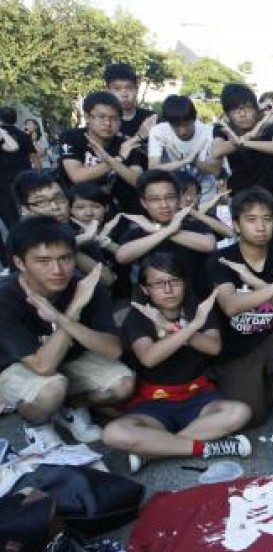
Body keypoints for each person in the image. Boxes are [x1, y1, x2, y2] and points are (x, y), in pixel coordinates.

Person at [102, 253, 251, 470]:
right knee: (114, 433)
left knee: (240, 412)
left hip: (198, 397)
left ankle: (153, 451)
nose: (169, 289)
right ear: (145, 289)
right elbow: (149, 357)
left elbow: (213, 347)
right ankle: (206, 448)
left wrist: (173, 328)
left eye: (174, 281)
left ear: (184, 283)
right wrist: (188, 329)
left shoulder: (198, 309)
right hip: (154, 403)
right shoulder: (138, 316)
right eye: (159, 284)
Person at [0, 217, 134, 451]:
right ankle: (36, 425)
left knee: (123, 383)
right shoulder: (5, 297)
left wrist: (67, 314)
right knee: (51, 389)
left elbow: (112, 350)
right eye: (43, 261)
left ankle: (71, 406)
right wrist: (73, 311)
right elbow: (43, 367)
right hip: (18, 366)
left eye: (65, 258)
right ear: (20, 263)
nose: (58, 270)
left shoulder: (85, 288)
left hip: (71, 358)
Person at [207, 187, 273, 425]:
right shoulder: (222, 259)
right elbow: (231, 306)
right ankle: (265, 385)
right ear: (237, 225)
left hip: (271, 338)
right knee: (254, 416)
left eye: (267, 219)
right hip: (234, 348)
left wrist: (256, 284)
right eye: (251, 220)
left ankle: (272, 380)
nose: (261, 226)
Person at [114, 169, 216, 295]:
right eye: (155, 199)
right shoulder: (137, 232)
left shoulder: (194, 225)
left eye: (170, 197)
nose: (164, 205)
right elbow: (122, 256)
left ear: (178, 199)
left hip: (199, 301)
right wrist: (166, 230)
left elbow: (208, 245)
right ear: (144, 203)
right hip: (154, 307)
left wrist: (158, 229)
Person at [58, 90, 145, 214]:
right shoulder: (72, 137)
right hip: (74, 206)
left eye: (114, 118)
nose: (108, 123)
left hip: (111, 206)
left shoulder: (125, 144)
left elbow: (138, 181)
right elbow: (77, 176)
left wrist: (112, 159)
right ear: (87, 117)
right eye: (101, 117)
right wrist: (118, 159)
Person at [212, 83, 273, 197]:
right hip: (239, 194)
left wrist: (245, 142)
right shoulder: (223, 128)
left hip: (270, 194)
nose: (243, 114)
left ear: (255, 109)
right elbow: (217, 151)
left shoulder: (264, 124)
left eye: (248, 108)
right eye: (236, 110)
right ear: (227, 113)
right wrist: (249, 136)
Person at [148, 95, 220, 204]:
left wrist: (194, 161)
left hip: (205, 195)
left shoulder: (209, 132)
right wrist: (184, 161)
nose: (182, 131)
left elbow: (215, 170)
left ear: (194, 118)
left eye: (187, 125)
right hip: (174, 196)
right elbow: (153, 168)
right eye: (176, 126)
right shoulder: (158, 132)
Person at [0, 107, 35, 243]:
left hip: (4, 183)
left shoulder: (5, 136)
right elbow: (33, 156)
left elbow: (13, 147)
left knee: (12, 218)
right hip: (23, 179)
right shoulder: (24, 135)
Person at [104, 63, 157, 142]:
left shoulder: (150, 120)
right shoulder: (102, 122)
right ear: (108, 91)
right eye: (117, 89)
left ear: (136, 89)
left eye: (129, 88)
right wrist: (139, 136)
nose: (124, 94)